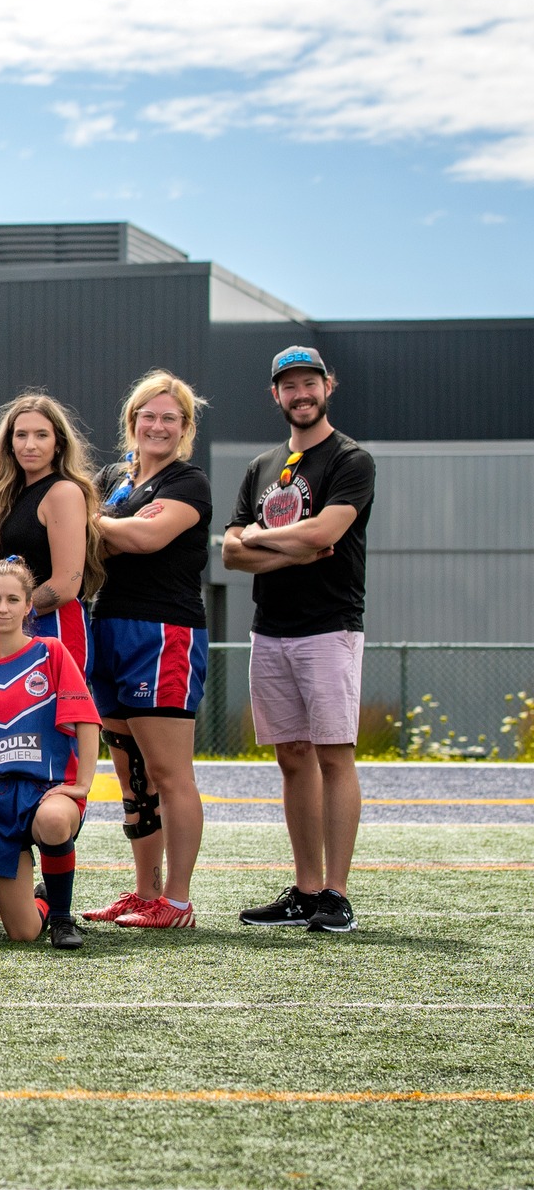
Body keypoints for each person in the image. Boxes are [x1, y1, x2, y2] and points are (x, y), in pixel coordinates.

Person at [224, 345, 375, 935]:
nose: (301, 393)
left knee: (334, 756)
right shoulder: (261, 466)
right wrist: (291, 548)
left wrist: (262, 542)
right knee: (292, 757)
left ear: (327, 386)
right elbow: (232, 552)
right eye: (290, 386)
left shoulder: (350, 459)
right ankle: (306, 889)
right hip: (272, 629)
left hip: (330, 626)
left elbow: (329, 530)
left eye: (310, 382)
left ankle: (336, 894)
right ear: (276, 395)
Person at [85, 371, 213, 930]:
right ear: (131, 421)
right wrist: (106, 519)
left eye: (169, 418)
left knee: (169, 771)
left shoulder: (189, 483)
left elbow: (146, 537)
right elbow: (118, 531)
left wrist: (84, 521)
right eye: (148, 416)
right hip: (108, 628)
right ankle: (144, 891)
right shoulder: (119, 481)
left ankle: (177, 901)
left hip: (163, 634)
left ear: (185, 428)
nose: (157, 426)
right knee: (131, 774)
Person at [0, 557, 102, 950]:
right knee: (21, 932)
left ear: (28, 606)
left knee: (54, 822)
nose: (3, 608)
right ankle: (45, 898)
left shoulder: (50, 653)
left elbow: (87, 722)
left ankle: (62, 919)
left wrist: (82, 784)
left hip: (46, 789)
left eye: (13, 599)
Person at [0, 393, 106, 676]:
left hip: (56, 631)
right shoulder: (5, 497)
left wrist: (9, 612)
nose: (30, 445)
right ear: (9, 444)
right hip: (14, 631)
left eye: (41, 435)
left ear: (58, 444)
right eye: (21, 435)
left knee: (59, 721)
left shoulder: (63, 493)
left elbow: (67, 584)